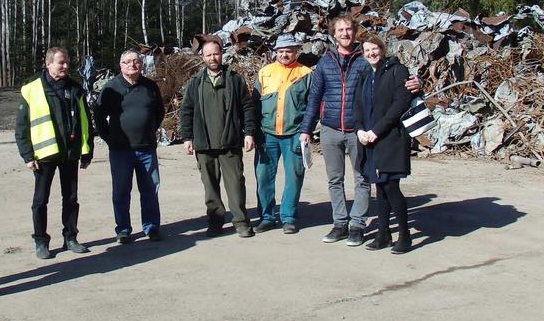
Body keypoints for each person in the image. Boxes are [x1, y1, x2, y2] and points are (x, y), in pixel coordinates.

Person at [300, 16, 420, 247]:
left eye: (348, 29)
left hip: (359, 130)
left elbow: (392, 76)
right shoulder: (325, 62)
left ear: (354, 32)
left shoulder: (365, 59)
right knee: (335, 179)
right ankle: (339, 223)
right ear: (333, 34)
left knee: (362, 178)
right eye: (340, 30)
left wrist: (417, 82)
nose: (345, 33)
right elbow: (314, 98)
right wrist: (306, 129)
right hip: (330, 128)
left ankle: (357, 225)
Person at [15, 47, 95, 260]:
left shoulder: (76, 89)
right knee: (41, 200)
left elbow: (86, 121)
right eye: (61, 62)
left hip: (70, 153)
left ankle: (70, 237)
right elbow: (21, 127)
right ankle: (41, 241)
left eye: (67, 62)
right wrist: (27, 155)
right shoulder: (32, 89)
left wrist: (87, 150)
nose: (65, 66)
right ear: (48, 64)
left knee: (71, 198)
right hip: (44, 155)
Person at [179, 40, 260, 238]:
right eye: (208, 55)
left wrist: (249, 132)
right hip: (204, 144)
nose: (212, 58)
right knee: (210, 188)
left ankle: (240, 221)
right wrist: (187, 137)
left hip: (230, 142)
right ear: (202, 57)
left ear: (222, 54)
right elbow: (186, 110)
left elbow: (247, 107)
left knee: (235, 184)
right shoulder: (196, 82)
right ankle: (215, 223)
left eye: (216, 54)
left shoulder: (234, 79)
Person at [94, 50, 165, 244]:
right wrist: (110, 138)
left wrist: (149, 130)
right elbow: (99, 117)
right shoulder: (111, 88)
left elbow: (159, 112)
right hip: (120, 151)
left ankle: (151, 227)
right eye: (127, 62)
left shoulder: (150, 86)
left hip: (147, 149)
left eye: (136, 61)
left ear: (141, 64)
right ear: (121, 65)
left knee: (150, 190)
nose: (132, 65)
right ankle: (123, 229)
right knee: (121, 192)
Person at [353, 34, 415, 254]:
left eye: (374, 49)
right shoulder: (364, 75)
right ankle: (383, 233)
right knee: (379, 186)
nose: (371, 53)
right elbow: (357, 105)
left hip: (390, 139)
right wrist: (360, 129)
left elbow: (401, 103)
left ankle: (405, 236)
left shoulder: (397, 70)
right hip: (368, 139)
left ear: (382, 48)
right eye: (367, 50)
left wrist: (376, 131)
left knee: (391, 186)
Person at [252, 34, 312, 234]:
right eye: (281, 51)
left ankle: (289, 217)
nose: (284, 54)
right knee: (263, 177)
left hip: (294, 134)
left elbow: (313, 106)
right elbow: (253, 104)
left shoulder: (306, 73)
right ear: (275, 52)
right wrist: (251, 132)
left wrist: (307, 130)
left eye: (289, 51)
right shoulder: (264, 73)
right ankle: (267, 217)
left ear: (296, 51)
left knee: (294, 177)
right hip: (266, 134)